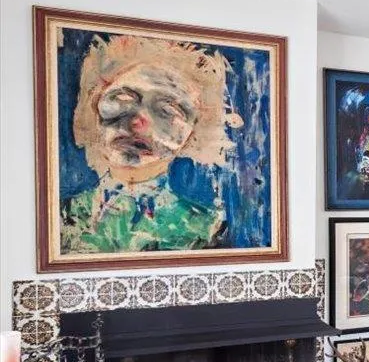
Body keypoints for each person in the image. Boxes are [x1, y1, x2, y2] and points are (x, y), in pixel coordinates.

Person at [61, 34, 240, 253]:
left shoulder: (206, 230)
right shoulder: (62, 218)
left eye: (168, 111)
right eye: (123, 99)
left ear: (195, 133)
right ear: (94, 104)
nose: (138, 123)